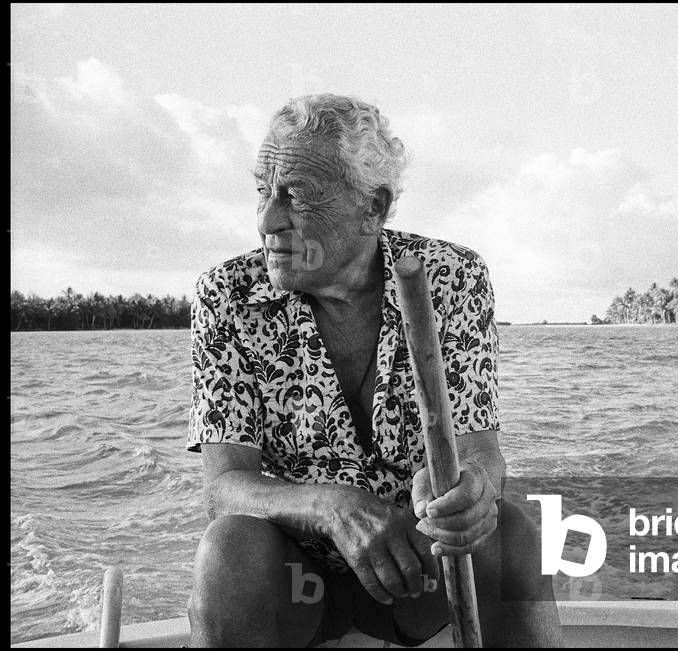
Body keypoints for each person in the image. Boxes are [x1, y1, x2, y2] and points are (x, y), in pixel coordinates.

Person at [186, 94, 562, 647]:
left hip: (419, 568)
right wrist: (331, 507)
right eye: (263, 191)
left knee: (513, 537)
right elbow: (223, 488)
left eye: (297, 196)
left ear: (373, 207)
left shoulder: (449, 278)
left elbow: (480, 451)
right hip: (295, 583)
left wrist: (469, 492)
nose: (268, 220)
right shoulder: (228, 295)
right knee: (229, 550)